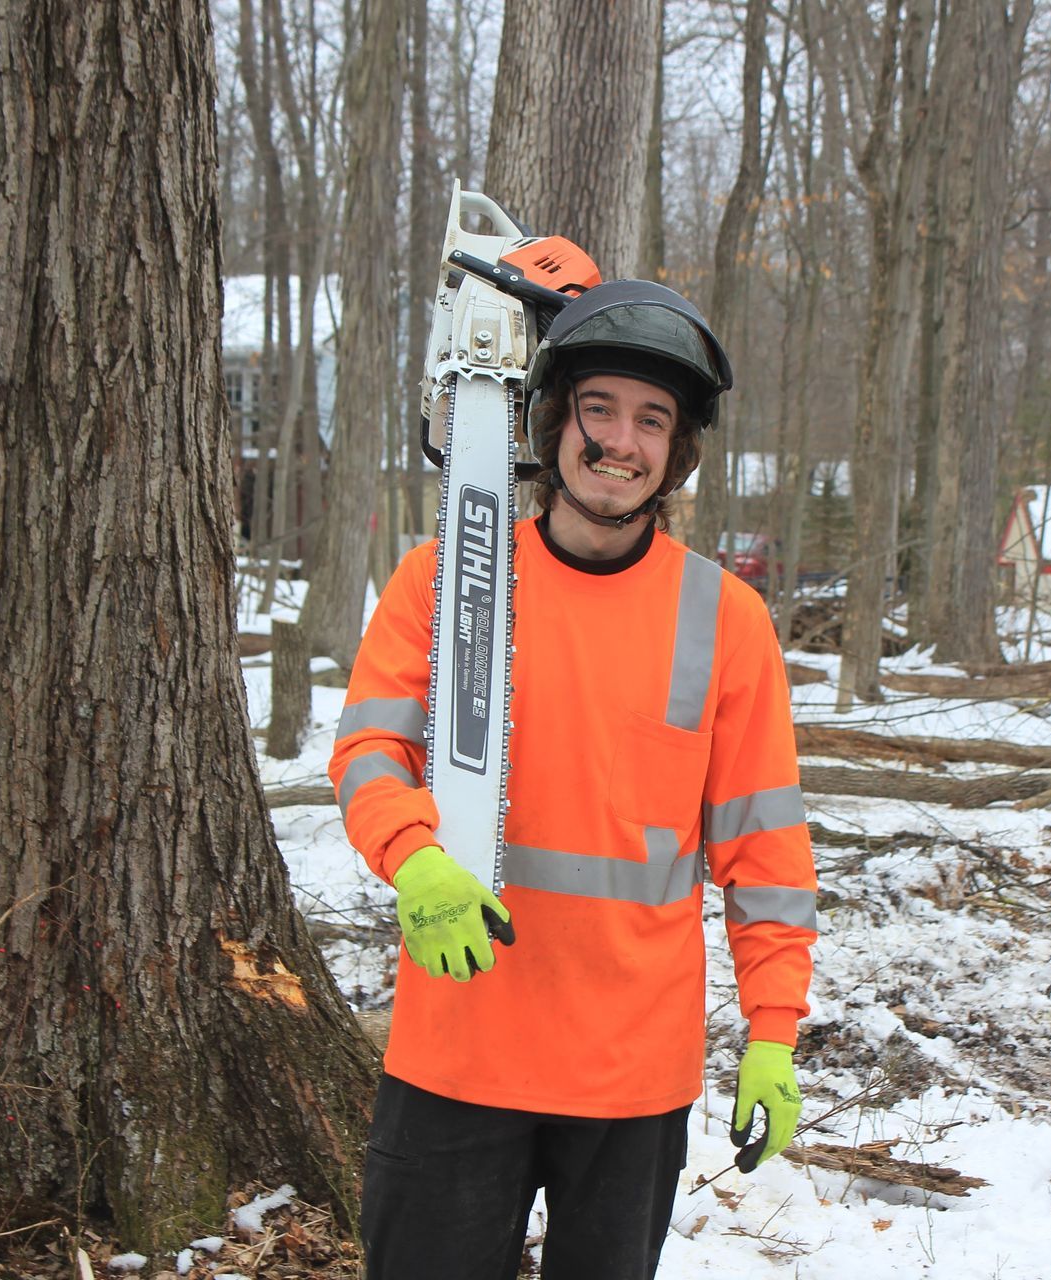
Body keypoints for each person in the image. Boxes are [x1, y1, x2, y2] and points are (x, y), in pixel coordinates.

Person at [329, 278, 818, 1280]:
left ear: (677, 450)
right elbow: (370, 751)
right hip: (459, 1050)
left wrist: (773, 1026)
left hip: (629, 1078)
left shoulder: (725, 618)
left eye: (652, 419)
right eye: (598, 408)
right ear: (552, 424)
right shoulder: (447, 577)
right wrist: (412, 859)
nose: (620, 441)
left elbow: (764, 845)